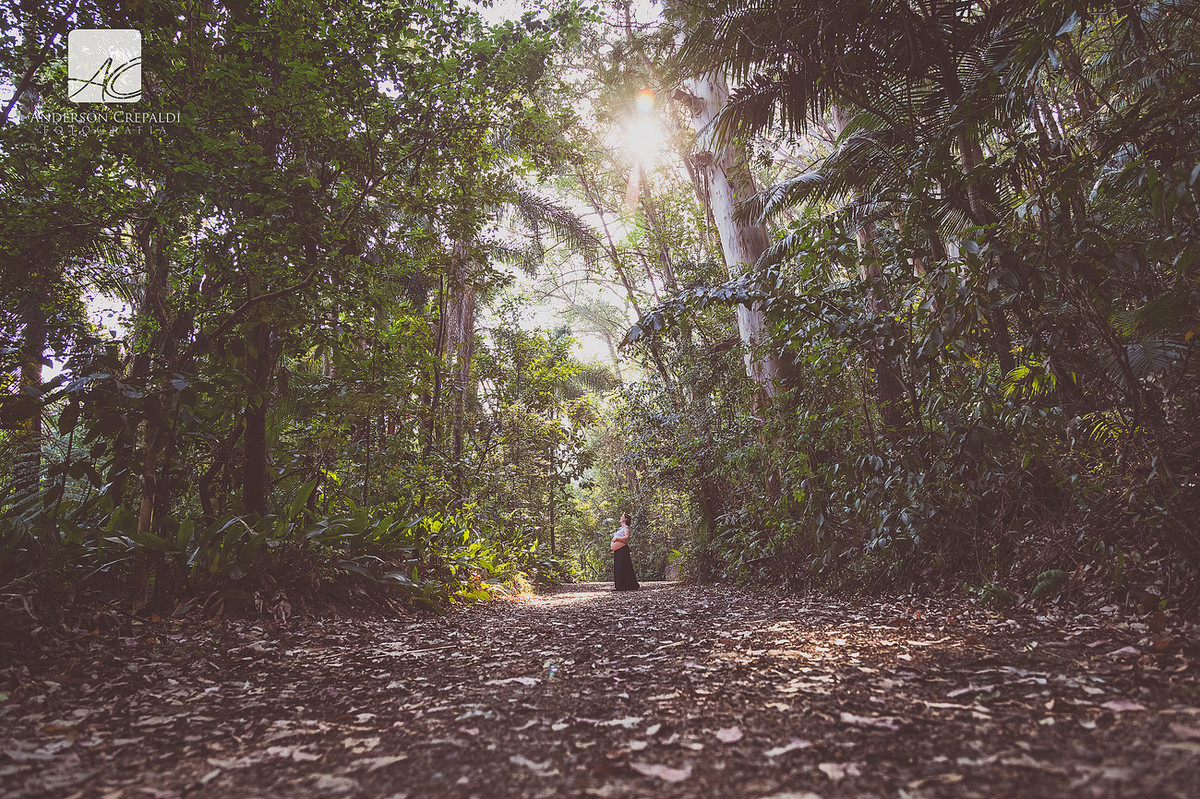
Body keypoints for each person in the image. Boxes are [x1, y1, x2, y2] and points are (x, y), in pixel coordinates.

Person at [610, 512, 640, 591]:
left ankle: (626, 586)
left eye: (622, 516)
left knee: (623, 567)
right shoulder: (621, 528)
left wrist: (617, 539)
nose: (620, 517)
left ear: (625, 519)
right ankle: (619, 586)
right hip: (618, 550)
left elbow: (627, 537)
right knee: (618, 568)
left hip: (622, 550)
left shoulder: (626, 528)